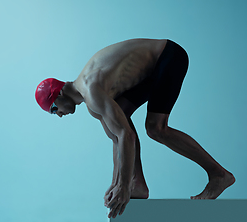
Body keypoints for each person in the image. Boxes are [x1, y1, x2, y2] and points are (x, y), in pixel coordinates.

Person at [35, 38, 235, 219]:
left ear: (58, 94)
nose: (58, 115)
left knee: (156, 129)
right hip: (150, 69)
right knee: (122, 113)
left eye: (53, 110)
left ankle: (218, 175)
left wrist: (122, 186)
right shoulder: (91, 101)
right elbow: (116, 138)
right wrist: (116, 184)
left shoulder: (91, 90)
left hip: (167, 56)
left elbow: (126, 135)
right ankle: (137, 183)